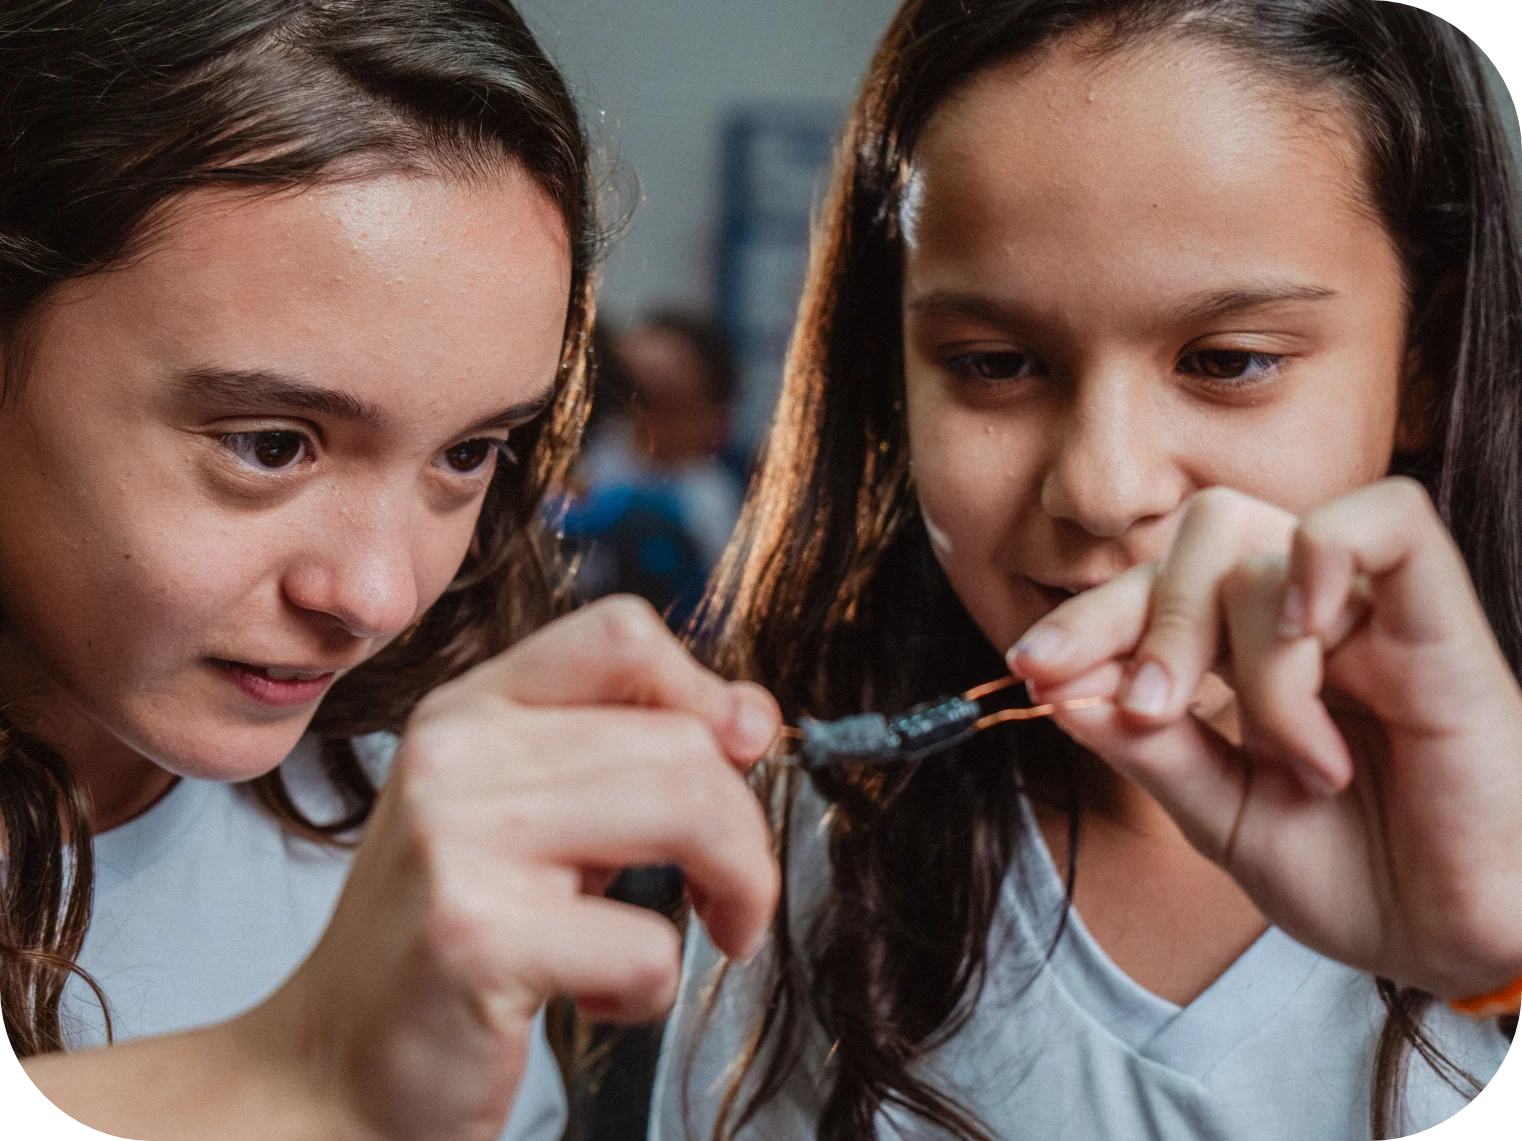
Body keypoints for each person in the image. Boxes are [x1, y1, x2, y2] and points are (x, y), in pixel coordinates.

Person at [652, 2, 1522, 1140]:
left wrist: (1497, 962)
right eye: (995, 364)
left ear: (1420, 366)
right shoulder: (803, 842)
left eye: (1228, 361)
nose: (1103, 489)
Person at [0, 4, 781, 1140]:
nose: (377, 598)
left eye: (467, 453)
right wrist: (302, 1078)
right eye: (269, 444)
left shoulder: (396, 790)